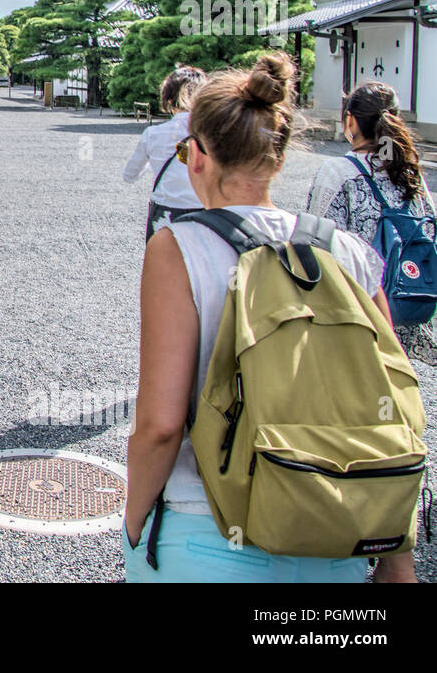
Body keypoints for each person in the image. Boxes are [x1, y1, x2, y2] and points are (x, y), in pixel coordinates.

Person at [124, 53, 416, 582]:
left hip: (207, 529)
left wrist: (134, 519)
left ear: (196, 156)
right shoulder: (344, 250)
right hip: (339, 528)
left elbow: (161, 427)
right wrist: (396, 554)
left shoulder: (178, 249)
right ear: (278, 158)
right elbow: (393, 399)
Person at [306, 81, 436, 363]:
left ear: (350, 120)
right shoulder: (410, 171)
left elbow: (315, 246)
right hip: (405, 304)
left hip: (357, 315)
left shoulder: (337, 172)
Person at [123, 66, 206, 241]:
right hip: (206, 214)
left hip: (166, 214)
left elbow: (129, 175)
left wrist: (152, 160)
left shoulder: (153, 134)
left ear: (168, 100)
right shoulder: (217, 134)